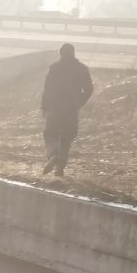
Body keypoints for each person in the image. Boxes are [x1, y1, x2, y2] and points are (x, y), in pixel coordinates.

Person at [41, 43, 94, 177]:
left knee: (50, 134)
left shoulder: (55, 68)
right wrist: (79, 102)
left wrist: (45, 107)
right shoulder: (82, 69)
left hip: (55, 108)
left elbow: (47, 89)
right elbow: (89, 89)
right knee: (67, 137)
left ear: (61, 53)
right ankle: (60, 168)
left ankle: (53, 155)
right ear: (73, 53)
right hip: (71, 109)